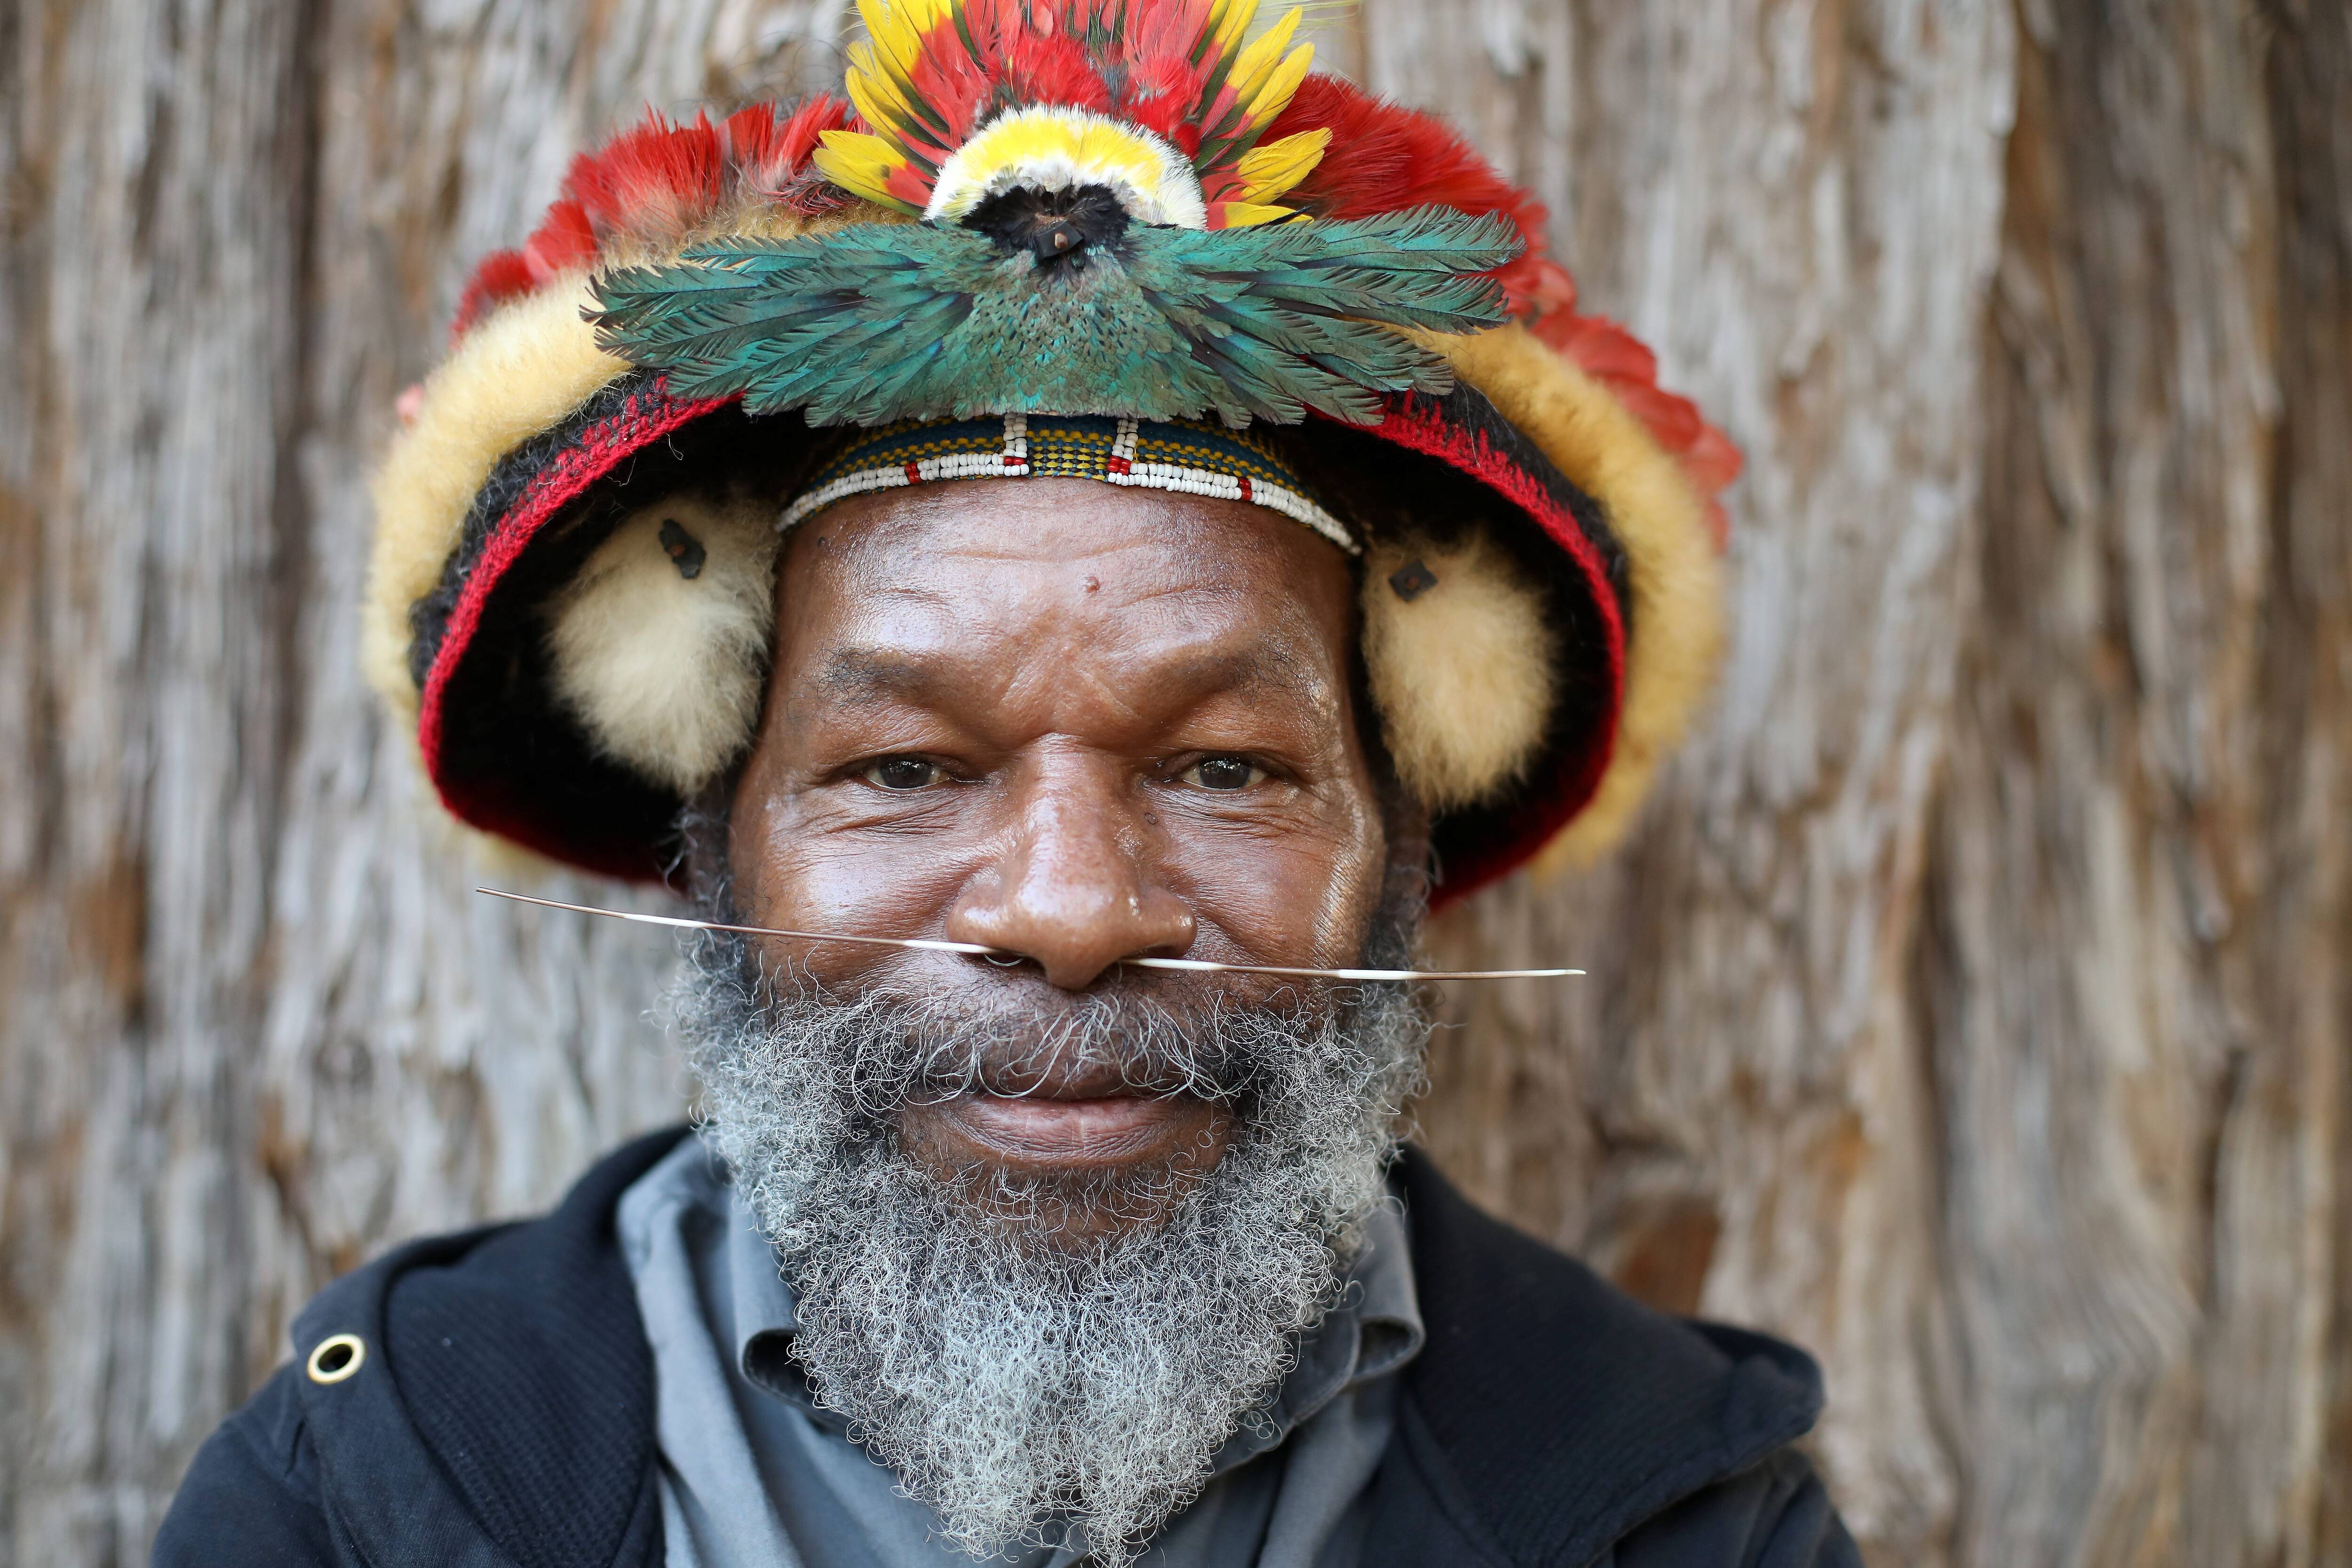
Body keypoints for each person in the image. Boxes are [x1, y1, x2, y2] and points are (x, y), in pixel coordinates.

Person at [156, 4, 1853, 1564]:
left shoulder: (1682, 1517)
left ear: (1399, 836)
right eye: (904, 767)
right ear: (715, 841)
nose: (1068, 911)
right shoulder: (373, 1496)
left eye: (1224, 767)